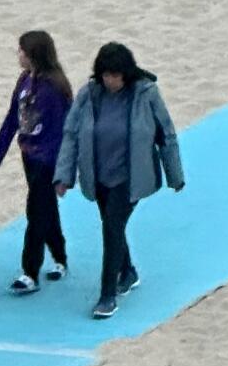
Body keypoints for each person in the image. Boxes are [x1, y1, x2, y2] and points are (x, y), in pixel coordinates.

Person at [53, 41, 184, 320]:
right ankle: (128, 271)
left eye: (115, 75)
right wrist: (64, 176)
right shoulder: (89, 95)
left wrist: (175, 175)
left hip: (131, 177)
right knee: (112, 225)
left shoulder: (146, 94)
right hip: (99, 176)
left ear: (127, 73)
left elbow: (166, 134)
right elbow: (71, 134)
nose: (110, 80)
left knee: (112, 227)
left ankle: (107, 294)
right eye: (105, 74)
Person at [0, 31, 74, 294]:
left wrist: (62, 172)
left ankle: (30, 272)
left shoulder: (54, 89)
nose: (18, 54)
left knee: (36, 210)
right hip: (29, 155)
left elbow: (63, 130)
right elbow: (13, 118)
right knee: (46, 208)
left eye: (21, 50)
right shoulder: (24, 80)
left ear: (33, 54)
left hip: (48, 160)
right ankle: (60, 257)